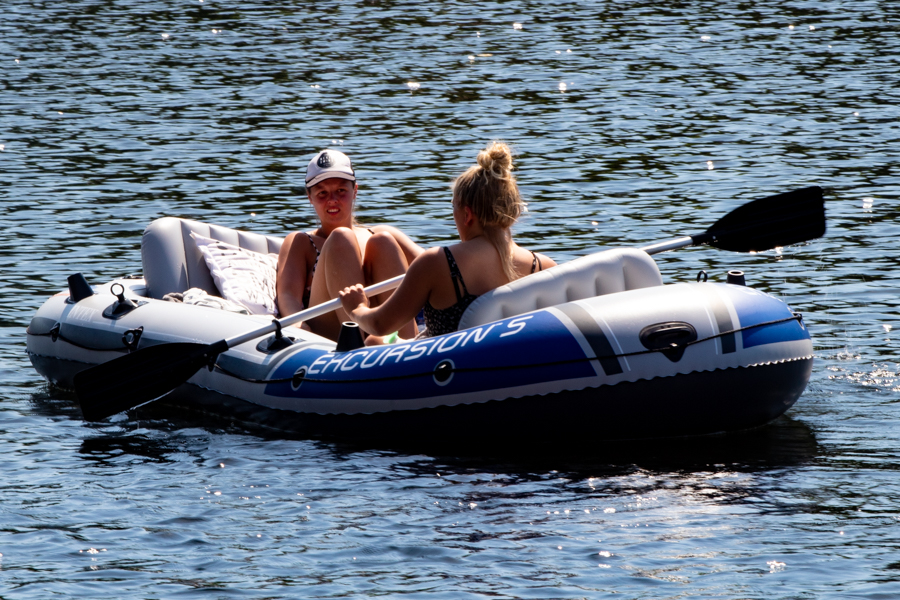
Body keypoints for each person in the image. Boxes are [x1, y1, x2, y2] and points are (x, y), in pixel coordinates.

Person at [338, 141, 556, 339]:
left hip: (448, 371)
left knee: (375, 340)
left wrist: (357, 308)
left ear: (467, 214)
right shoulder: (544, 267)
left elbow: (379, 324)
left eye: (454, 207)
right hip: (517, 366)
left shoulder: (438, 263)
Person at [276, 149, 422, 341]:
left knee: (383, 241)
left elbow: (434, 267)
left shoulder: (378, 233)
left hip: (385, 330)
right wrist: (298, 325)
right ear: (310, 197)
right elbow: (287, 296)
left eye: (341, 191)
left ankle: (408, 343)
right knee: (341, 238)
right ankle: (357, 344)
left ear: (355, 191)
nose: (332, 200)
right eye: (322, 193)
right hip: (333, 334)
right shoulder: (302, 241)